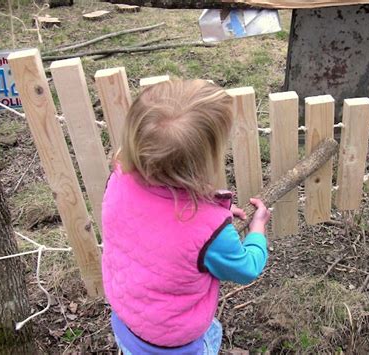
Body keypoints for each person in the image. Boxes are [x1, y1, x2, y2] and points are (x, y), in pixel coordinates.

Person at [102, 79, 270, 354]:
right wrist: (257, 228)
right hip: (175, 344)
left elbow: (156, 219)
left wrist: (218, 210)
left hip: (126, 320)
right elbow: (246, 268)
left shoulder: (120, 179)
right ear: (204, 161)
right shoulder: (210, 232)